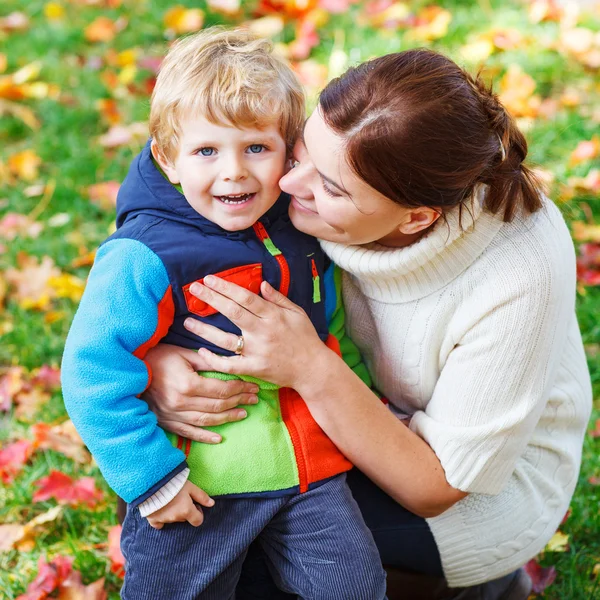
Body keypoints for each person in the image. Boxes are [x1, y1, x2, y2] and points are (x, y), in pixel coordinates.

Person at [143, 48, 593, 599]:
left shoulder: (519, 269)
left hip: (466, 495)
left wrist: (310, 367)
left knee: (243, 518)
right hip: (329, 400)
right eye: (301, 147)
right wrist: (158, 363)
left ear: (416, 218)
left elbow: (438, 486)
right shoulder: (335, 147)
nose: (288, 185)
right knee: (161, 466)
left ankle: (467, 585)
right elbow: (165, 185)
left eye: (332, 188)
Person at [61, 28, 387, 600]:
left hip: (309, 475)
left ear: (290, 149)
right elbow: (93, 371)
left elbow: (332, 334)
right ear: (168, 158)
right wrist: (152, 479)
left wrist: (363, 408)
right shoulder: (147, 256)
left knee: (355, 584)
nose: (234, 172)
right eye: (207, 151)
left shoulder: (300, 231)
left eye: (255, 148)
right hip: (198, 480)